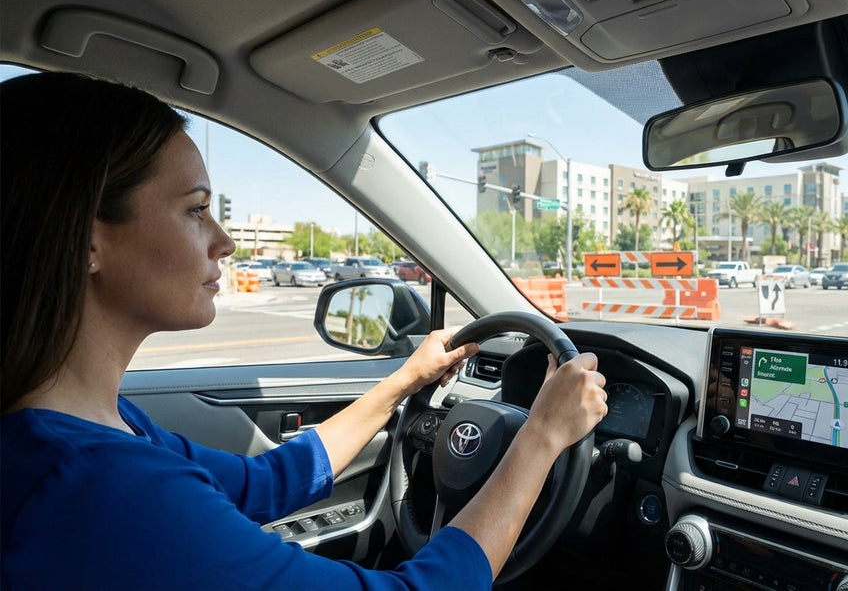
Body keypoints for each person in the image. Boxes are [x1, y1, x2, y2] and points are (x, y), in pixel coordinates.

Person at [0, 72, 608, 590]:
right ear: (88, 241)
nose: (225, 240)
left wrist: (402, 382)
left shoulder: (93, 430)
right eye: (195, 208)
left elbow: (264, 481)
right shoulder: (103, 488)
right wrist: (540, 439)